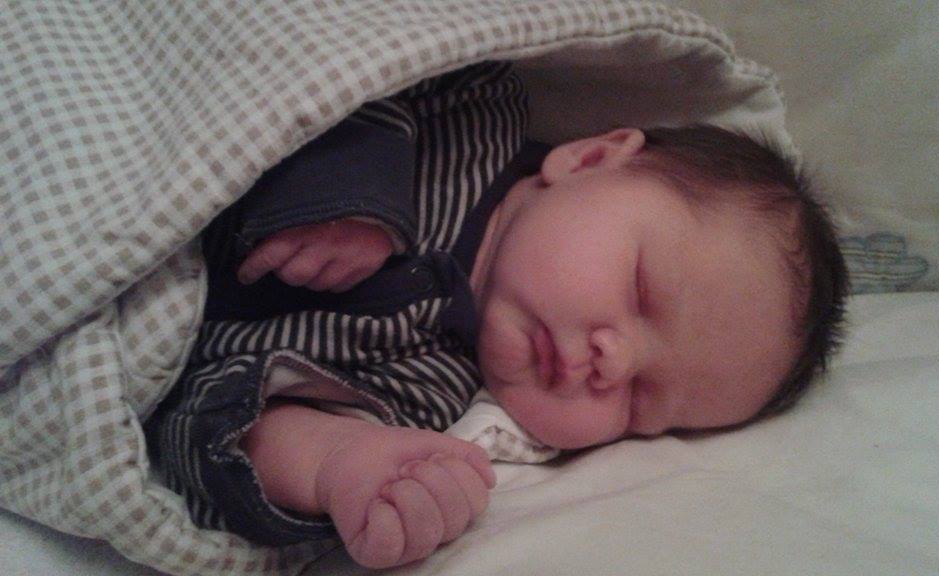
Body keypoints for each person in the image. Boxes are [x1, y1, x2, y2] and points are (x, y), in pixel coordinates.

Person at [146, 61, 848, 568]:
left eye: (641, 402)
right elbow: (339, 58)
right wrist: (349, 196)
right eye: (641, 291)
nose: (613, 363)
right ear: (591, 158)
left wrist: (335, 460)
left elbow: (198, 422)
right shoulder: (474, 111)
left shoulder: (430, 392)